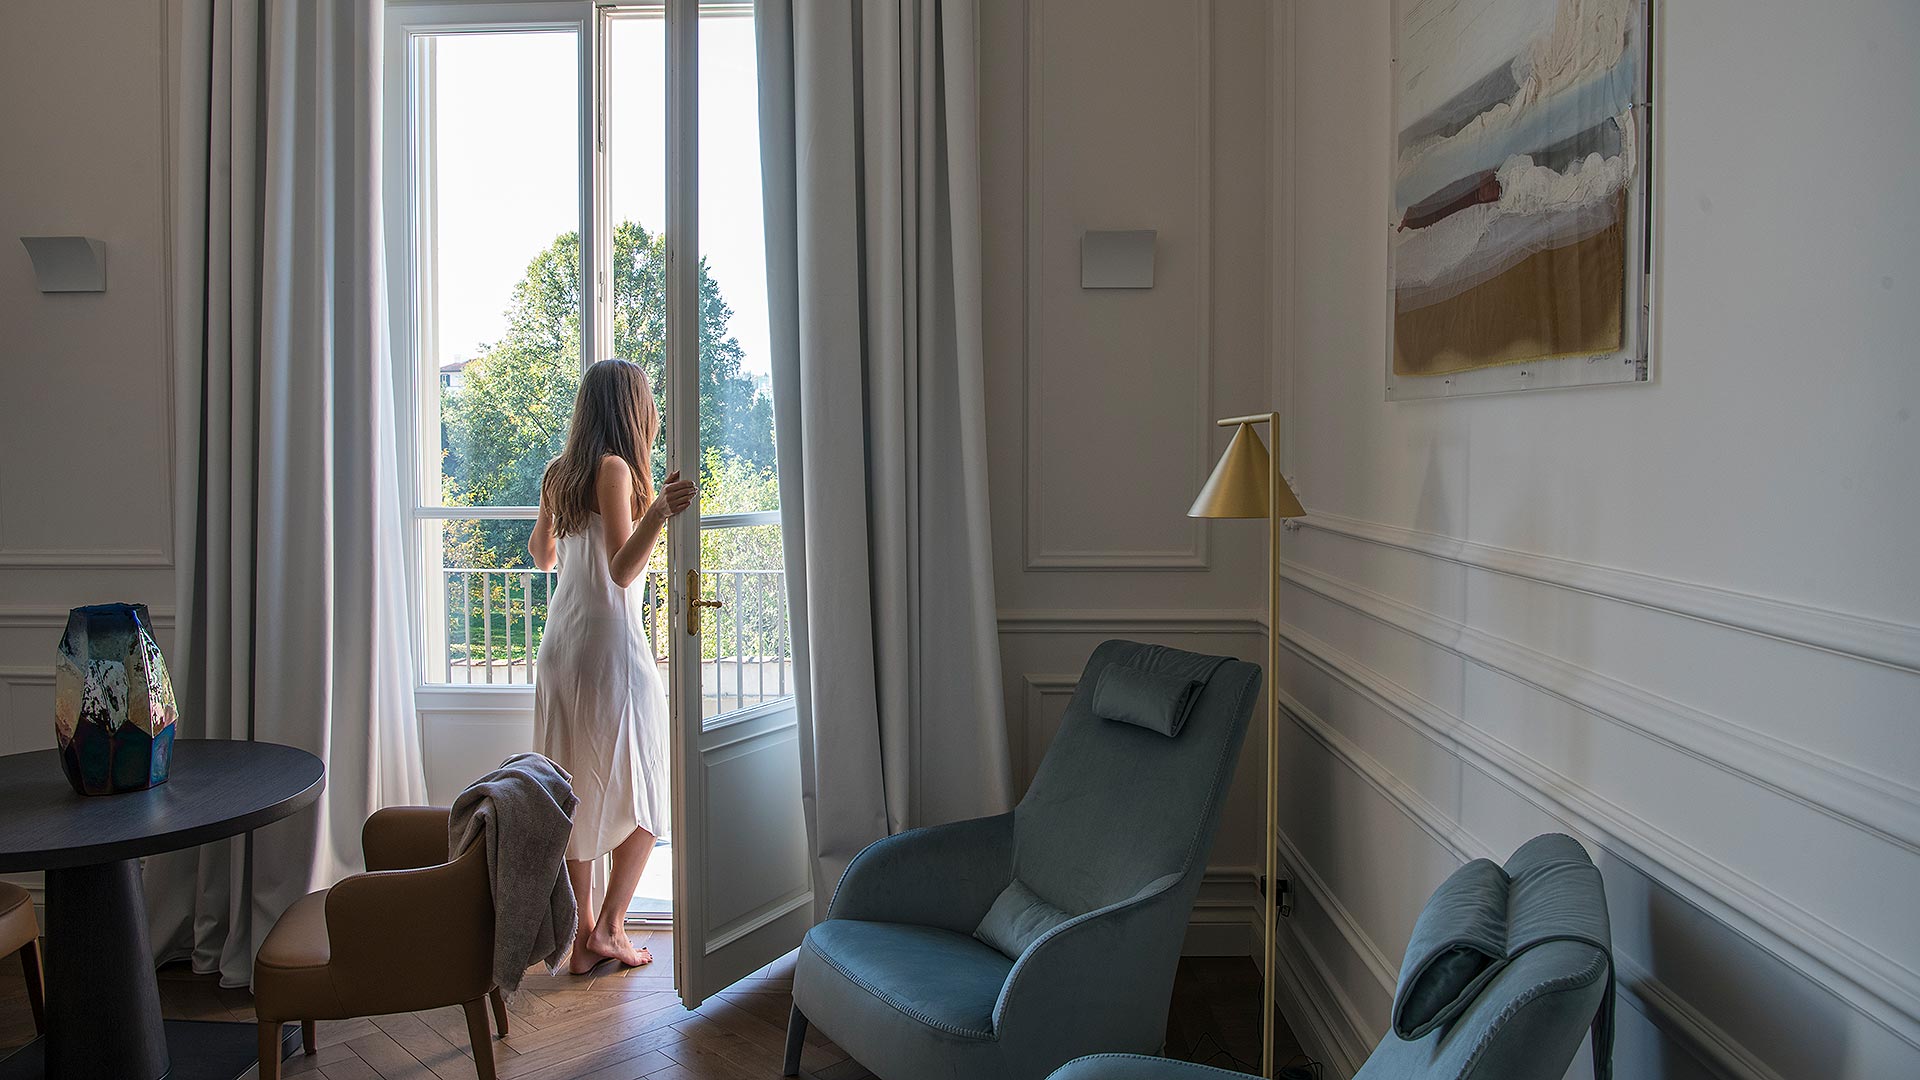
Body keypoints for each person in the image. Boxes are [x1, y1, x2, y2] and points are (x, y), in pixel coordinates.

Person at [529, 359, 696, 973]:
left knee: (575, 789)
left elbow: (543, 555)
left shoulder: (558, 471)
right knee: (647, 790)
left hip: (559, 649)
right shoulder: (615, 469)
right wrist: (660, 511)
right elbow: (623, 570)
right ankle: (613, 929)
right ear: (631, 408)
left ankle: (584, 934)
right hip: (608, 650)